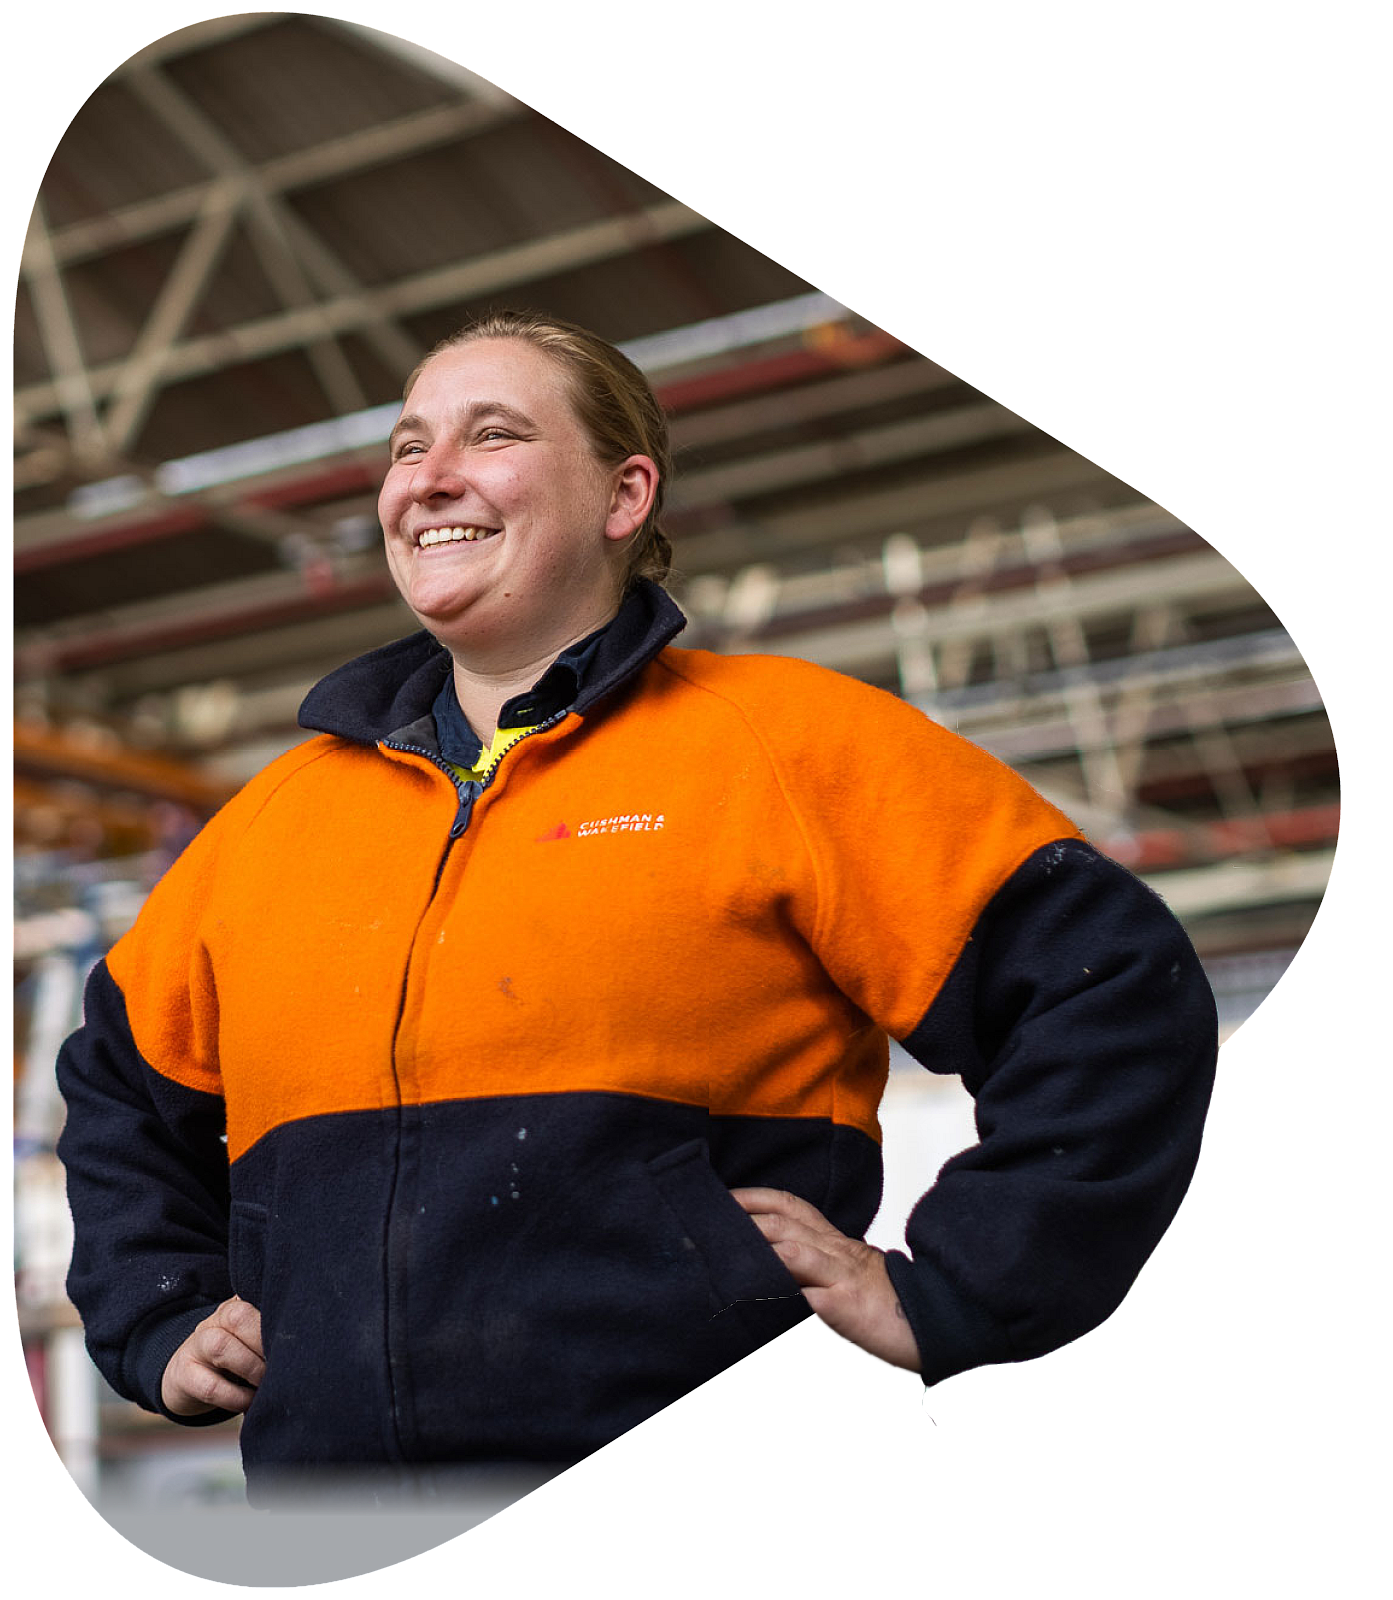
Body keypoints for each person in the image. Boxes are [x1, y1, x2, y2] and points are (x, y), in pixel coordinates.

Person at [55, 311, 1219, 1501]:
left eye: (491, 433)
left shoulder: (786, 747)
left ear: (624, 496)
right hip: (332, 1516)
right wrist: (159, 1309)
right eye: (408, 447)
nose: (430, 477)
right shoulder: (272, 822)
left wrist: (963, 1288)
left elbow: (1111, 989)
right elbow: (114, 1086)